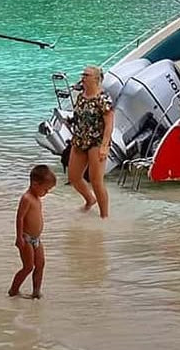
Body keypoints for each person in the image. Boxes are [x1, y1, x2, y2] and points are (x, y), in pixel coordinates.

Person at [67, 65, 114, 219]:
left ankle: (104, 216)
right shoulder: (81, 96)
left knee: (96, 181)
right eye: (83, 74)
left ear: (96, 78)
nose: (83, 77)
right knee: (74, 177)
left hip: (97, 141)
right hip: (80, 139)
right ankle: (90, 199)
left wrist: (105, 146)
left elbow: (109, 124)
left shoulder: (103, 98)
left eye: (86, 75)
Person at [9, 165, 57, 298]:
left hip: (37, 239)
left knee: (40, 264)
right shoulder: (27, 198)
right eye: (46, 189)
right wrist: (19, 238)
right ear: (35, 184)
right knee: (28, 266)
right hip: (27, 238)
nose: (46, 192)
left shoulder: (37, 198)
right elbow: (20, 218)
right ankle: (13, 290)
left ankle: (36, 292)